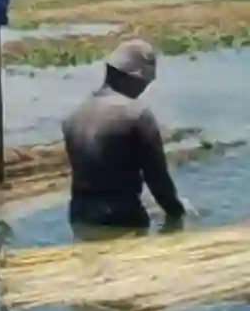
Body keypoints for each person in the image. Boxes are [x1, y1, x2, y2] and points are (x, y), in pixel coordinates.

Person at [62, 39, 185, 234]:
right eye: (145, 83)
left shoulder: (75, 116)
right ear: (133, 78)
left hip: (80, 214)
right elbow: (158, 180)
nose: (144, 89)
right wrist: (178, 217)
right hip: (121, 216)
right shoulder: (136, 114)